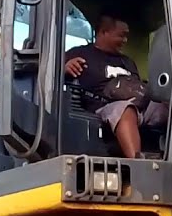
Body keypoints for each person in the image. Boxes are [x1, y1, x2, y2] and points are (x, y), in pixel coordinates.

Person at [64, 13, 166, 158]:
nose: (125, 40)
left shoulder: (127, 61)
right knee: (124, 109)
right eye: (121, 35)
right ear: (104, 32)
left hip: (142, 105)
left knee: (171, 103)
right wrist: (65, 67)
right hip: (105, 106)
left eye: (126, 36)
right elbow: (50, 71)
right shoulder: (79, 53)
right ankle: (138, 164)